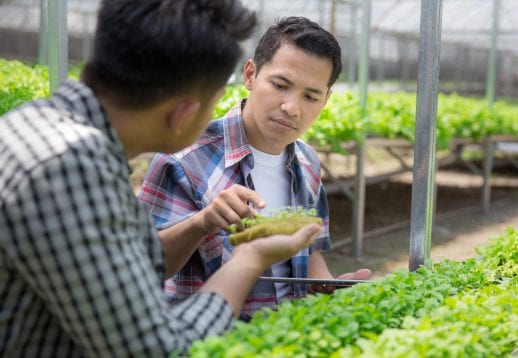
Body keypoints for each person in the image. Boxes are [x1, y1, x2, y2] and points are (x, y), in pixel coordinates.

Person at [0, 1, 323, 356]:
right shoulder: (68, 168)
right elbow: (156, 350)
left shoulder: (41, 128)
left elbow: (138, 261)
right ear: (184, 113)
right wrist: (250, 259)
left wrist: (202, 224)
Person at [138, 16, 371, 321]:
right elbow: (141, 264)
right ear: (250, 75)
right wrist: (202, 222)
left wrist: (325, 285)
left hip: (284, 340)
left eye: (311, 96)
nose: (291, 107)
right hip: (210, 342)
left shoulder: (308, 162)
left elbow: (310, 249)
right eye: (280, 85)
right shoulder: (183, 159)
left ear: (326, 100)